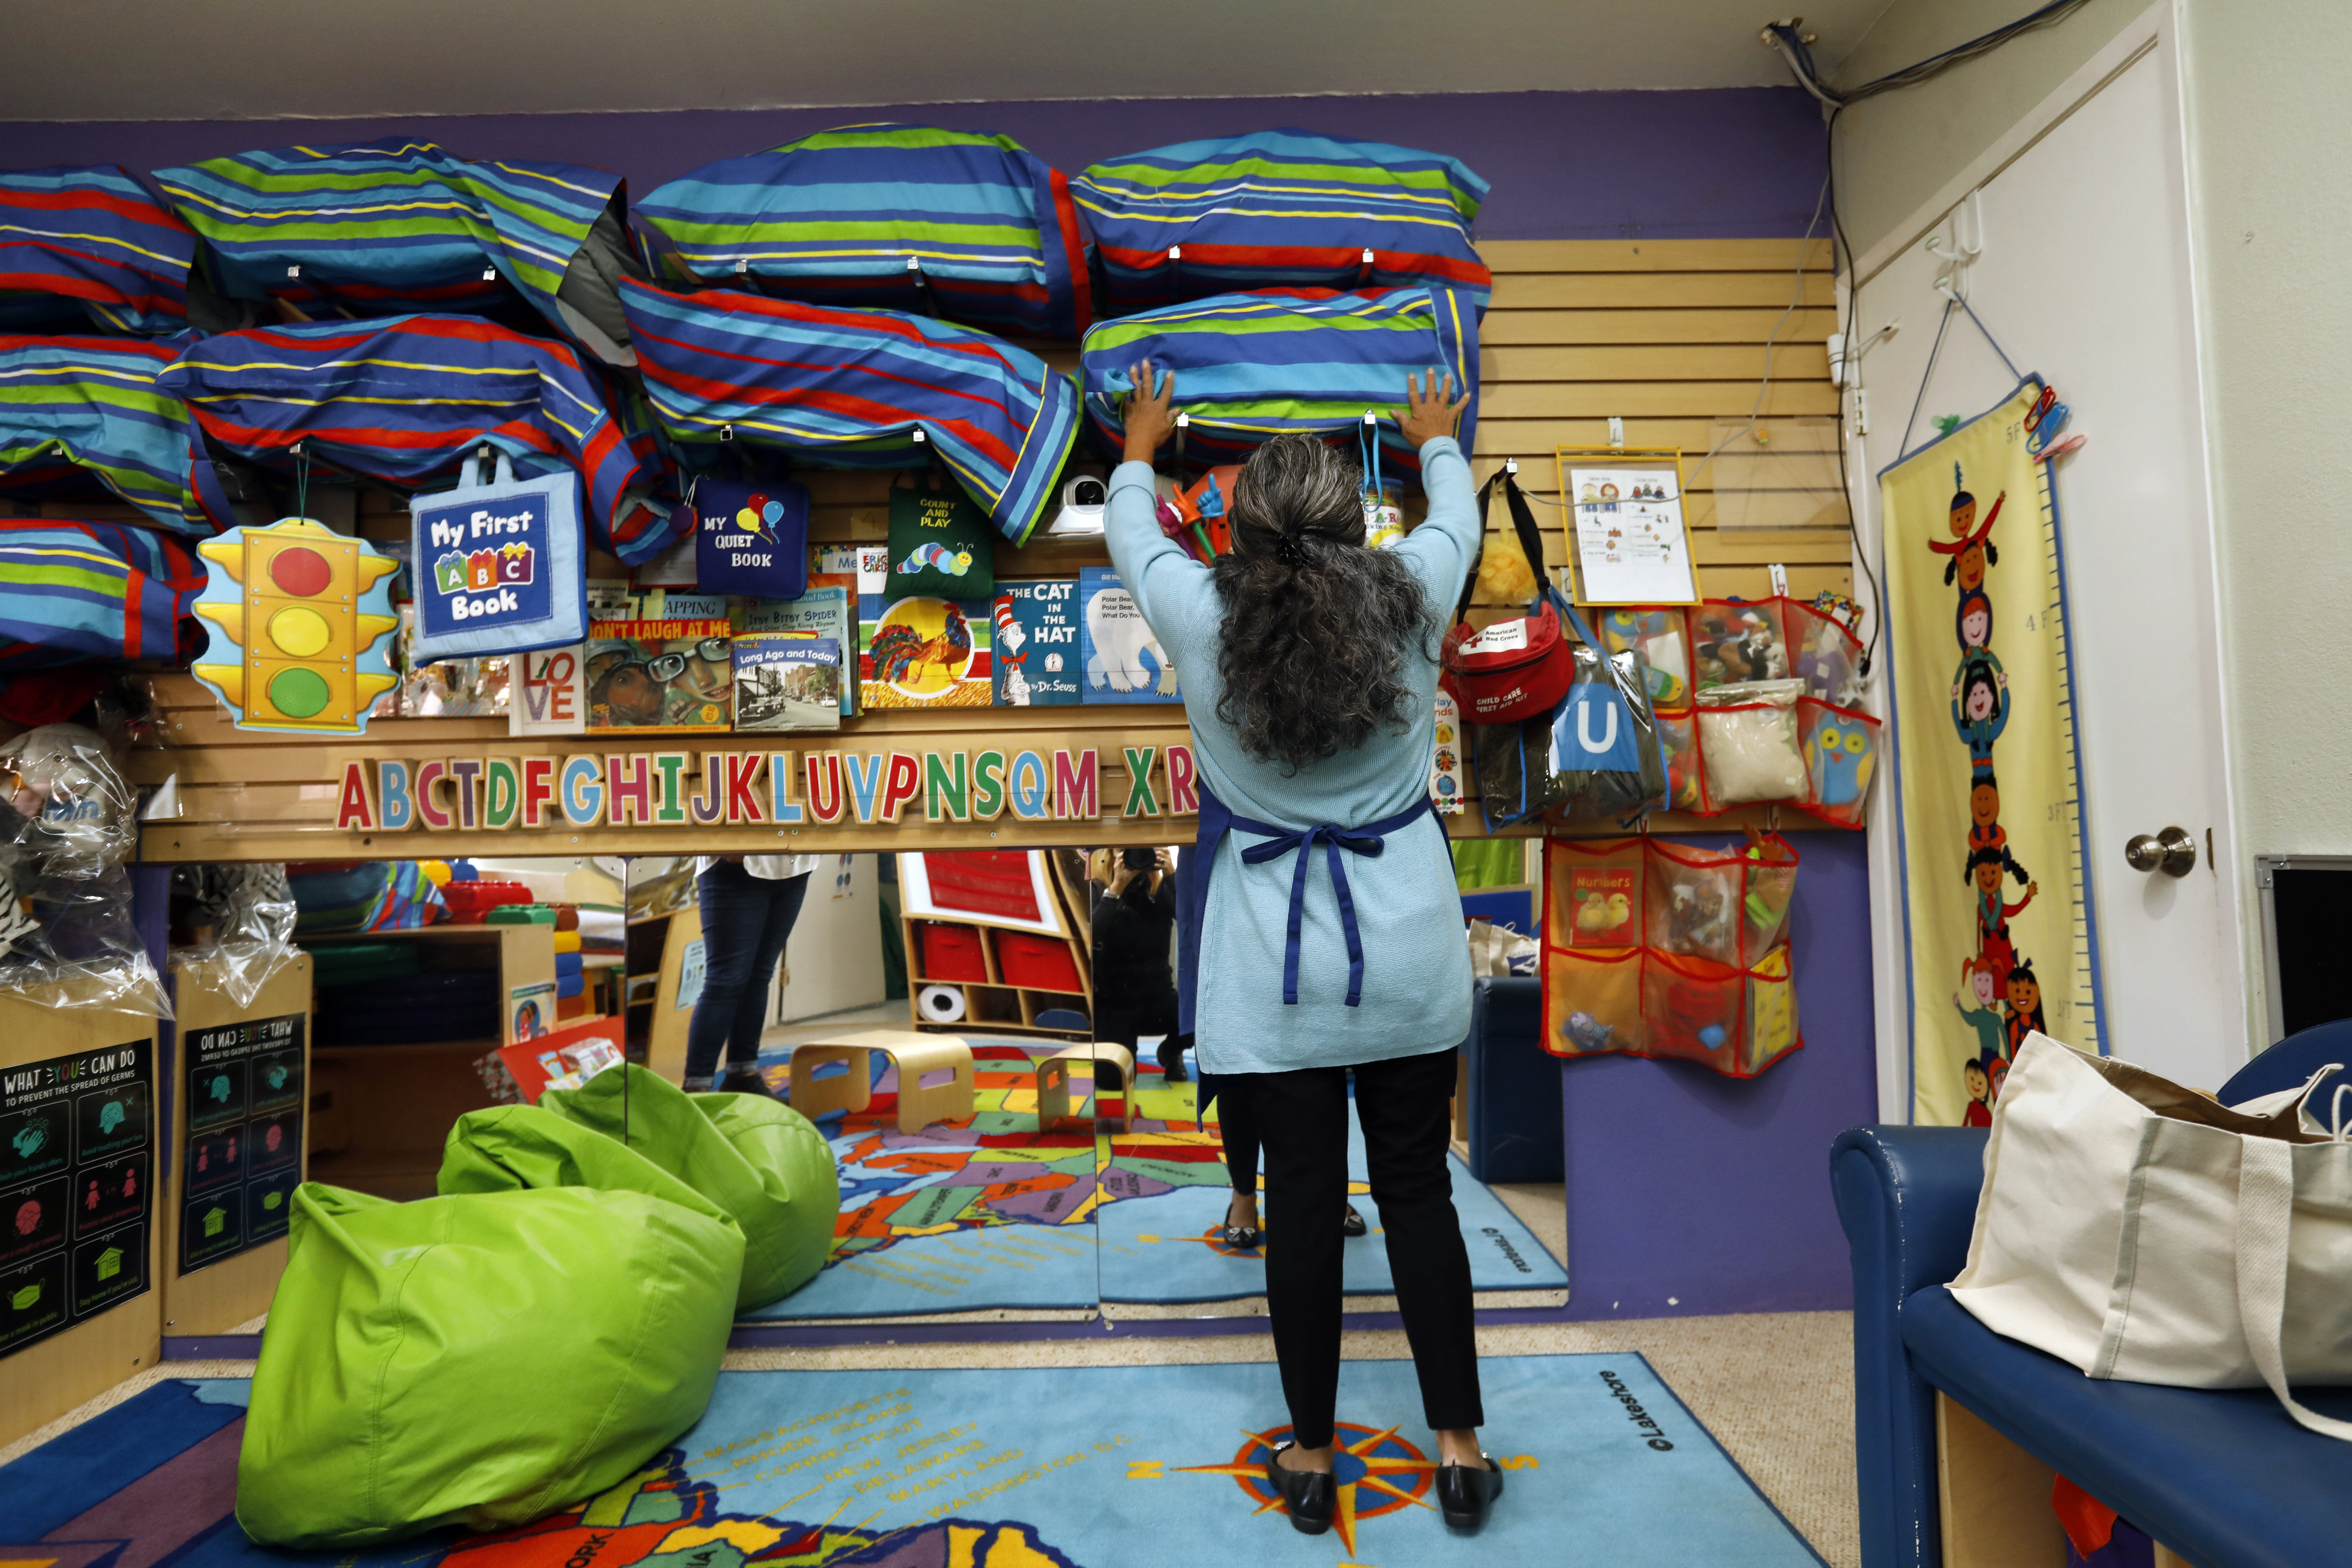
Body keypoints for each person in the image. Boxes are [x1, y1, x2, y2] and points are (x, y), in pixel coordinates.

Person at [1108, 362, 1501, 1535]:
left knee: (1303, 1203)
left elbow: (1133, 530)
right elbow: (1462, 519)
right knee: (1421, 1194)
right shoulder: (1413, 596)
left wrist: (1139, 442)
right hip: (1409, 949)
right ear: (1354, 525)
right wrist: (1437, 437)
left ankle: (1317, 1457)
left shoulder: (1200, 611)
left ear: (1240, 528)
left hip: (1271, 963)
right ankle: (1463, 1446)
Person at [685, 854, 818, 1093]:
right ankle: (696, 1090)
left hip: (796, 866)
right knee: (725, 981)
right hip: (735, 865)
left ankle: (743, 1075)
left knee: (760, 975)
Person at [1089, 846, 1183, 1080]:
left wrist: (1171, 874)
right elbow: (1090, 934)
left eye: (1144, 850)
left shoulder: (1159, 890)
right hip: (1115, 1004)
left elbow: (1189, 918)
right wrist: (1116, 888)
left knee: (1202, 1011)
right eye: (1125, 850)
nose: (1136, 856)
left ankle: (1172, 1052)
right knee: (1111, 1081)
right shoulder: (1099, 889)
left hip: (1158, 1000)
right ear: (1111, 855)